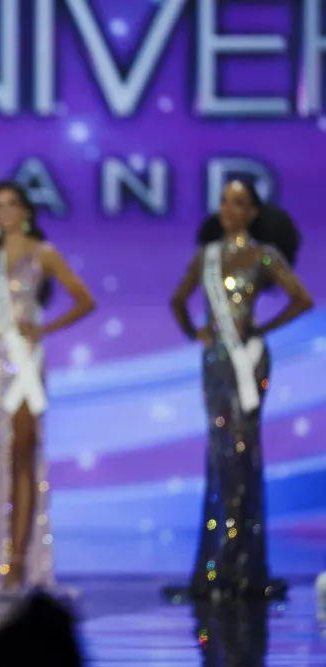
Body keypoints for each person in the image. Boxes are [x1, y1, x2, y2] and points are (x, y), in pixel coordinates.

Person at [0, 182, 94, 597]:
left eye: (12, 204)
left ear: (26, 210)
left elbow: (84, 300)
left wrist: (43, 328)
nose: (5, 211)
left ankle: (19, 564)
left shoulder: (42, 252)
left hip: (26, 363)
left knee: (23, 457)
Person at [169, 180, 312, 600]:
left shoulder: (263, 255)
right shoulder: (206, 257)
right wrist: (196, 333)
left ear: (253, 212)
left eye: (239, 203)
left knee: (243, 450)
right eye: (224, 202)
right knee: (220, 453)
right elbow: (178, 300)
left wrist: (262, 329)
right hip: (216, 362)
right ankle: (217, 564)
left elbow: (302, 298)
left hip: (248, 359)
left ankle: (242, 564)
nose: (229, 209)